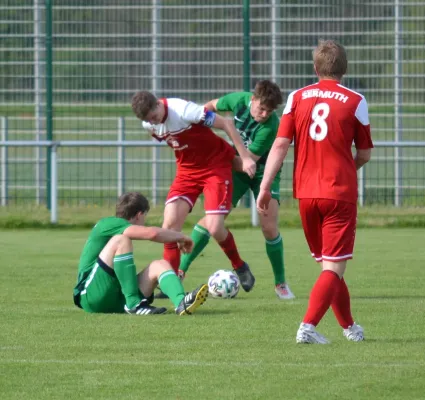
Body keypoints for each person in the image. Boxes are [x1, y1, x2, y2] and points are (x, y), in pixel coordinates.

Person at [257, 39, 373, 343]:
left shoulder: (297, 97)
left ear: (315, 67)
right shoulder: (355, 100)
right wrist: (347, 169)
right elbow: (364, 154)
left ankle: (349, 327)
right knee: (333, 267)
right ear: (344, 69)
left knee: (330, 266)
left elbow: (280, 144)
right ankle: (307, 326)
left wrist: (265, 186)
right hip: (338, 192)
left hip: (306, 194)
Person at [131, 91, 257, 296]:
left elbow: (227, 124)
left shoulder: (184, 110)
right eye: (147, 120)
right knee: (169, 227)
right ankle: (172, 282)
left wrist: (244, 158)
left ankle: (239, 265)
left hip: (215, 167)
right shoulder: (149, 125)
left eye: (153, 116)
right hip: (187, 172)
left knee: (215, 227)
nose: (152, 122)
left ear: (157, 104)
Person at [178, 80, 295, 299]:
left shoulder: (271, 126)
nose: (264, 114)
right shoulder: (238, 100)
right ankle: (180, 271)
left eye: (269, 111)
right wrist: (198, 127)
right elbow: (212, 105)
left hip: (263, 171)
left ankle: (280, 283)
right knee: (213, 220)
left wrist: (215, 153)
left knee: (269, 227)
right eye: (261, 108)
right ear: (253, 99)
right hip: (236, 165)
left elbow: (248, 162)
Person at [73, 192, 209, 316]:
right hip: (91, 295)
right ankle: (134, 304)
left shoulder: (118, 226)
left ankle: (181, 302)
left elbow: (154, 234)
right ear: (139, 215)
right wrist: (182, 237)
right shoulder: (107, 223)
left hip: (116, 298)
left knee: (160, 265)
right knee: (120, 240)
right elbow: (153, 233)